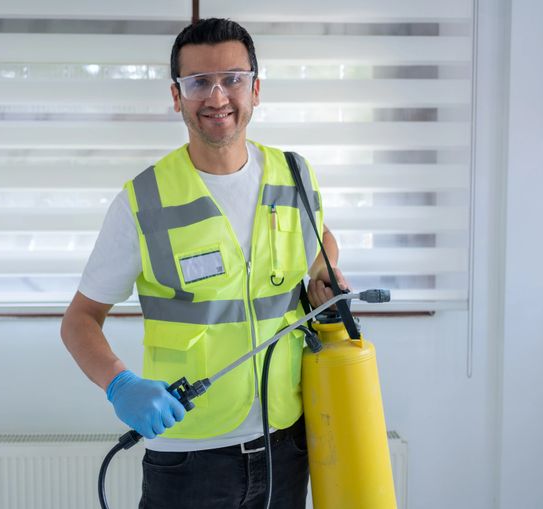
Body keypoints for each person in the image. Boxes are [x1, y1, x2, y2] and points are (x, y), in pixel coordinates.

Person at [61, 18, 348, 509]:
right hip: (191, 458)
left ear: (255, 90)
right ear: (177, 96)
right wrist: (120, 384)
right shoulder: (142, 201)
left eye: (233, 78)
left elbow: (319, 239)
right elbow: (79, 321)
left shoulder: (294, 173)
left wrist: (325, 274)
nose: (217, 96)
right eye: (198, 82)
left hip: (287, 440)